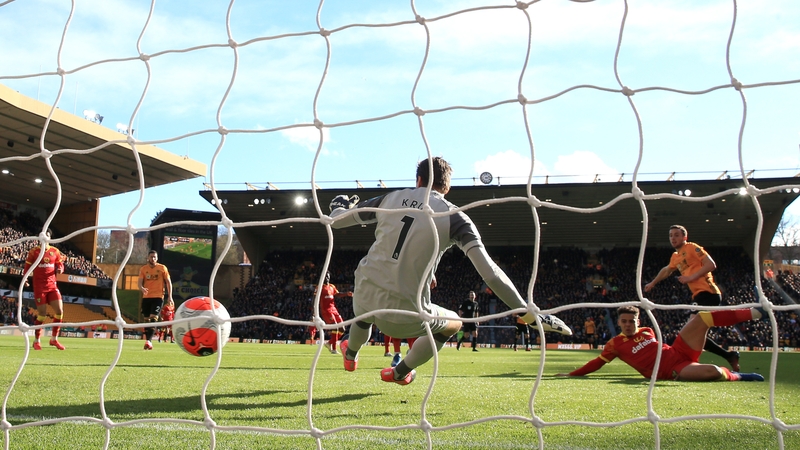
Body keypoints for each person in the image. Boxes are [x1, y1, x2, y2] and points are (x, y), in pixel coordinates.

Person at [329, 156, 572, 386]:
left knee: (364, 317)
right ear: (447, 187)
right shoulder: (455, 217)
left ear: (419, 180)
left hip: (363, 291)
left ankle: (350, 354)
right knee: (453, 324)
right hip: (405, 313)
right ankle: (400, 372)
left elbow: (337, 221)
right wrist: (530, 315)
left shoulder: (390, 199)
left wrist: (337, 206)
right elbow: (490, 273)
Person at [557, 305, 764, 382]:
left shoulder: (647, 330)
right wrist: (571, 374)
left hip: (678, 351)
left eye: (632, 321)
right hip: (675, 368)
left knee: (701, 318)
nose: (628, 325)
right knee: (714, 372)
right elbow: (596, 363)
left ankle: (755, 313)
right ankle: (738, 375)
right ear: (619, 323)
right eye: (624, 322)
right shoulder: (615, 344)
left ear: (638, 322)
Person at [644, 225, 740, 371]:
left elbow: (711, 265)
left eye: (676, 235)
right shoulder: (675, 256)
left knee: (692, 332)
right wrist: (653, 283)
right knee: (694, 333)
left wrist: (691, 277)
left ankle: (692, 361)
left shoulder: (692, 247)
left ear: (684, 237)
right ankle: (728, 356)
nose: (673, 238)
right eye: (671, 235)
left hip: (709, 294)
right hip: (699, 296)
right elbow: (666, 270)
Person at [24, 229, 66, 350]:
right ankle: (37, 340)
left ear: (49, 238)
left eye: (46, 235)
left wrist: (60, 269)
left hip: (52, 286)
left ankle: (54, 339)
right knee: (42, 314)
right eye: (41, 235)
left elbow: (60, 264)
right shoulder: (34, 252)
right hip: (40, 287)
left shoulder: (55, 251)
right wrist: (25, 278)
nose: (43, 237)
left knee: (59, 311)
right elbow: (27, 266)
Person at [138, 250, 172, 350]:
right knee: (147, 320)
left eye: (154, 257)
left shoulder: (162, 268)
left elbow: (168, 282)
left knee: (153, 318)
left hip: (158, 297)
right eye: (151, 257)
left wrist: (170, 296)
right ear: (148, 258)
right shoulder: (143, 269)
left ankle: (148, 341)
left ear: (157, 258)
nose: (153, 259)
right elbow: (139, 282)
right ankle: (148, 340)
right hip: (146, 297)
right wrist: (142, 288)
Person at [316, 271, 352, 354]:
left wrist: (347, 294)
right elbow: (315, 300)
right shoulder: (319, 287)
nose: (327, 278)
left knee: (342, 328)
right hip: (326, 310)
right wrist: (315, 313)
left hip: (334, 309)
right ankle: (334, 349)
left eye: (328, 277)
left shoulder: (332, 286)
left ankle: (329, 343)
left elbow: (338, 294)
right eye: (325, 277)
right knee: (335, 327)